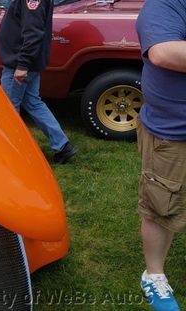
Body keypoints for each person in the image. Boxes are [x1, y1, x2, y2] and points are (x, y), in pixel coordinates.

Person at [136, 0, 186, 310]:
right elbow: (164, 51)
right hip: (174, 131)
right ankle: (153, 274)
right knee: (161, 204)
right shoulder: (166, 3)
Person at [0, 0, 77, 164]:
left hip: (19, 65)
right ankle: (62, 146)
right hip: (25, 64)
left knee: (9, 109)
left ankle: (14, 151)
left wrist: (23, 64)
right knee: (34, 103)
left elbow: (33, 32)